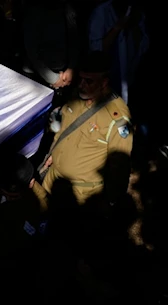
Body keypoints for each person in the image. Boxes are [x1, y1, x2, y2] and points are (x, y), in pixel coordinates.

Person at [40, 51, 133, 205]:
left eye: (89, 81)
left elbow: (119, 166)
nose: (81, 85)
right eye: (80, 79)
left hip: (79, 194)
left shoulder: (117, 119)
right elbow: (63, 127)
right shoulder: (77, 94)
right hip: (52, 180)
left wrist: (112, 200)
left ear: (104, 82)